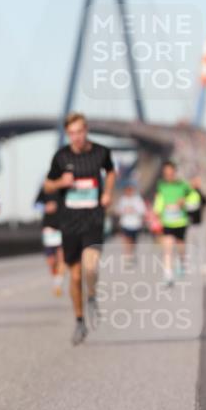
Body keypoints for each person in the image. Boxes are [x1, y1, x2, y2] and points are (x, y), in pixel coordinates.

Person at [43, 112, 115, 345]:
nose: (76, 137)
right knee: (74, 277)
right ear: (67, 134)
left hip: (93, 218)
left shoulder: (101, 152)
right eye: (72, 133)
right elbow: (47, 184)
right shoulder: (61, 157)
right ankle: (79, 320)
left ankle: (92, 297)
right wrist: (60, 183)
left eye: (80, 132)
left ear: (86, 131)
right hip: (69, 222)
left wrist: (107, 193)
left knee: (91, 265)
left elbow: (111, 172)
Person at [153, 161, 192, 285]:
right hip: (167, 222)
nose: (168, 176)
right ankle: (168, 274)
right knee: (168, 248)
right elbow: (159, 200)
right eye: (166, 174)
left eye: (171, 173)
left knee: (180, 245)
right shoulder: (161, 185)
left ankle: (181, 262)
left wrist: (183, 201)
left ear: (175, 172)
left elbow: (193, 198)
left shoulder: (183, 185)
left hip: (181, 221)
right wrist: (157, 212)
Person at [34, 183, 65, 297]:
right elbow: (35, 205)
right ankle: (56, 279)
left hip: (62, 228)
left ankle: (58, 284)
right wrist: (45, 207)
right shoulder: (44, 189)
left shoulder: (64, 189)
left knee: (62, 258)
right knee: (51, 261)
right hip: (48, 229)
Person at [115, 181, 146, 259]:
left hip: (135, 224)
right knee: (126, 240)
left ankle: (131, 252)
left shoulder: (137, 199)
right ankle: (127, 255)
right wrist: (123, 211)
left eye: (130, 189)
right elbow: (117, 211)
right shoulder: (122, 199)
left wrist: (134, 210)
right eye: (127, 189)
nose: (128, 191)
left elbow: (143, 210)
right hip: (125, 223)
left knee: (133, 241)